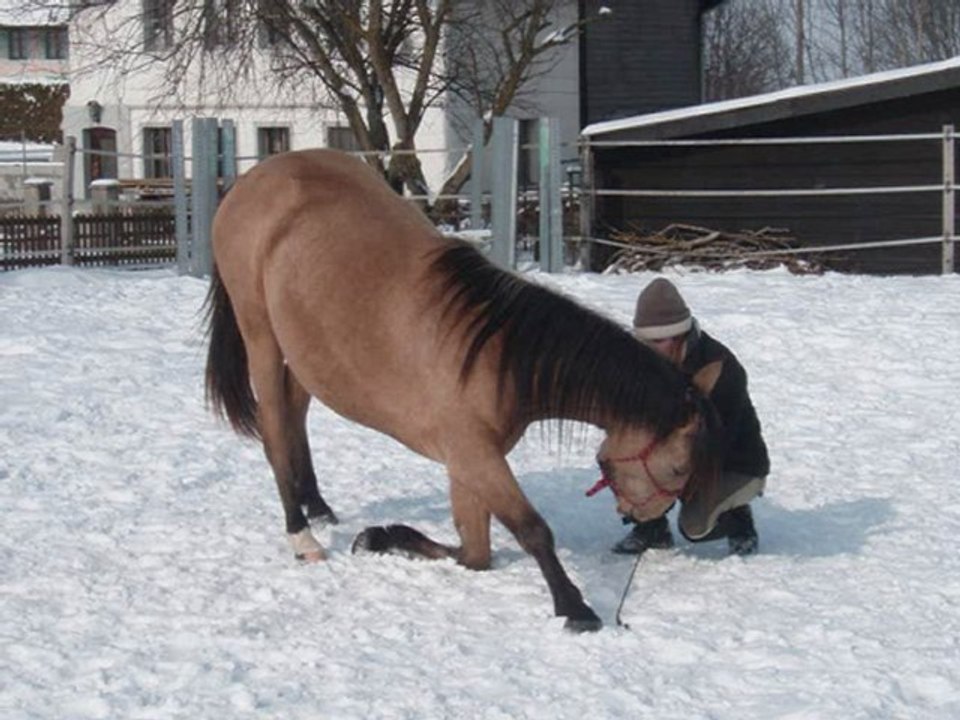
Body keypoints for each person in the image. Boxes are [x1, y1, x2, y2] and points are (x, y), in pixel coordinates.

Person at [613, 277, 770, 556]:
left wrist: (668, 472)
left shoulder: (721, 368)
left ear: (679, 336)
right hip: (674, 452)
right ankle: (652, 528)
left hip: (730, 461)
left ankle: (738, 520)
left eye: (658, 341)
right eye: (644, 340)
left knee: (695, 529)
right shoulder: (644, 363)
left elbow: (717, 440)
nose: (649, 348)